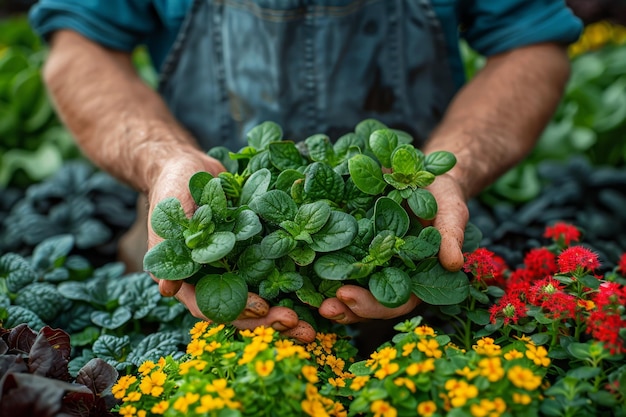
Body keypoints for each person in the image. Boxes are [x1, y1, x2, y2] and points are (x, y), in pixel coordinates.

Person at [29, 1, 582, 344]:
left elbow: (531, 43)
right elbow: (80, 45)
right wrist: (164, 161)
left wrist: (452, 168)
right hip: (190, 248)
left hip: (423, 242)